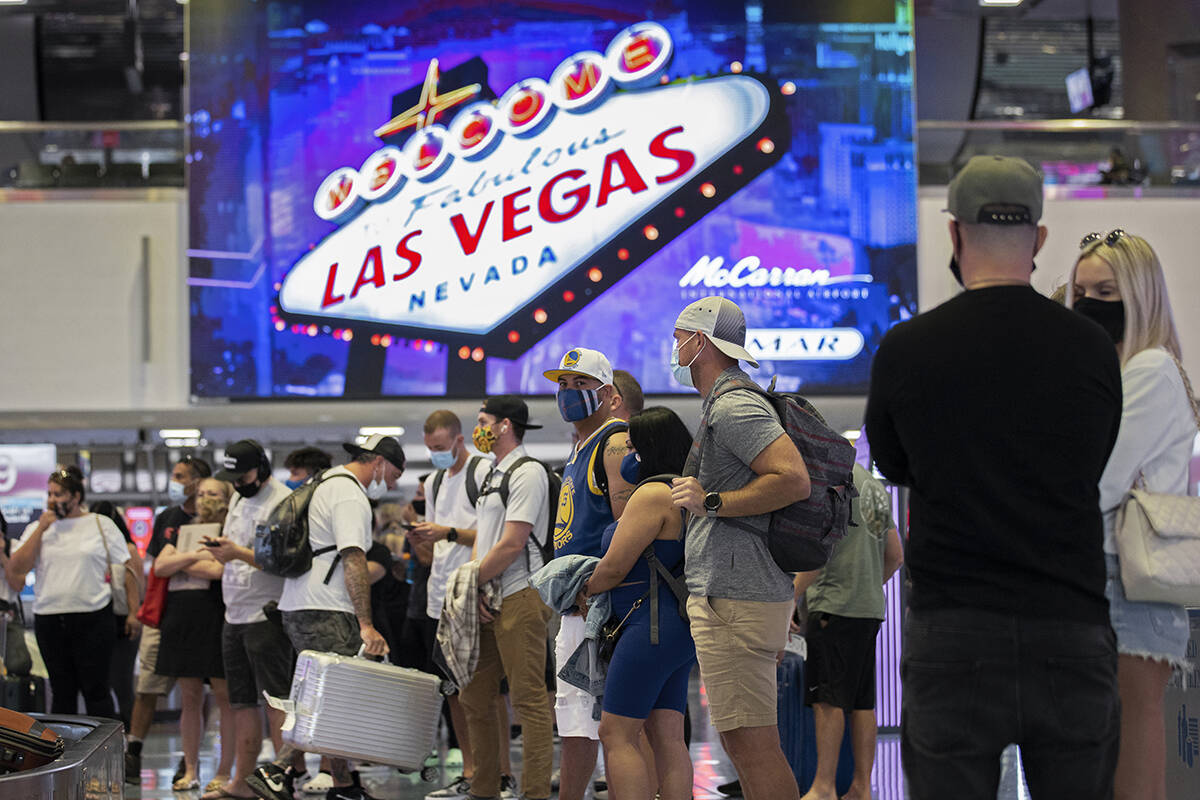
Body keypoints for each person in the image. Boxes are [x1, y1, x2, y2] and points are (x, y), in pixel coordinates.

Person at [864, 155, 1123, 799]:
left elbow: (894, 465)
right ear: (1038, 239)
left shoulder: (907, 348)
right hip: (1070, 622)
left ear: (954, 236)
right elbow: (1094, 459)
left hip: (953, 630)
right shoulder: (1091, 347)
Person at [1069, 229, 1197, 800]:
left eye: (1105, 289)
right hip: (1111, 577)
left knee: (1130, 750)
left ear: (1140, 293)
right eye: (1080, 291)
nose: (1089, 302)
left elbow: (1100, 478)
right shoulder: (1125, 368)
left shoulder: (1147, 370)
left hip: (1126, 578)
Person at [668, 296, 811, 800]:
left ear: (700, 342)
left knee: (752, 746)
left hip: (737, 597)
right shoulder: (724, 404)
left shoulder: (734, 405)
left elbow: (793, 480)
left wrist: (712, 501)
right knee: (742, 741)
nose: (675, 346)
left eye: (679, 336)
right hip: (737, 593)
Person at [247, 434, 402, 800]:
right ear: (378, 462)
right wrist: (365, 624)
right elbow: (353, 558)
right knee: (332, 699)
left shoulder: (324, 482)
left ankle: (345, 785)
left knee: (325, 695)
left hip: (300, 602)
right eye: (393, 474)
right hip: (326, 607)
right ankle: (278, 768)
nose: (391, 483)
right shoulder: (349, 493)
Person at [581, 406, 696, 800]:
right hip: (676, 628)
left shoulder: (651, 494)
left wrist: (584, 589)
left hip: (646, 625)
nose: (627, 456)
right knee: (667, 735)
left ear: (651, 447)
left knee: (616, 733)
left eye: (632, 447)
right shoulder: (684, 491)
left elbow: (614, 566)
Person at [544, 348, 635, 800]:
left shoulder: (614, 441)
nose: (568, 393)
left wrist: (601, 587)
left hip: (601, 603)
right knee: (575, 720)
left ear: (609, 394)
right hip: (577, 600)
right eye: (562, 384)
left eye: (581, 384)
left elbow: (626, 525)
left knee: (607, 726)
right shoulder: (579, 448)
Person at [459, 396, 554, 800]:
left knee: (528, 700)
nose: (477, 428)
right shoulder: (489, 474)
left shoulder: (528, 472)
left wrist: (470, 581)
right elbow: (485, 536)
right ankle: (485, 788)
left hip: (520, 593)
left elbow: (514, 541)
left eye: (483, 421)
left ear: (504, 425)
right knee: (474, 695)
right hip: (488, 598)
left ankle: (534, 792)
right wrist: (476, 586)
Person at [792, 465, 904, 800]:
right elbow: (895, 556)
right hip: (867, 608)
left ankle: (824, 787)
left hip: (832, 605)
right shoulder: (872, 485)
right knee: (861, 700)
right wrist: (865, 585)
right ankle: (861, 786)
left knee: (828, 698)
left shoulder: (825, 484)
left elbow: (818, 554)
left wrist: (790, 599)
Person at [199, 440, 301, 800]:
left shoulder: (281, 501)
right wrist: (223, 549)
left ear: (261, 467)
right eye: (234, 477)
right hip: (234, 611)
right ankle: (242, 781)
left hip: (266, 612)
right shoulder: (240, 498)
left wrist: (237, 552)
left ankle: (281, 780)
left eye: (244, 475)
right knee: (240, 700)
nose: (239, 482)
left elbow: (286, 561)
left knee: (276, 701)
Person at [411, 410, 500, 800]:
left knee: (484, 692)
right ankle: (469, 768)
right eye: (431, 449)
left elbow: (494, 532)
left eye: (442, 448)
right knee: (452, 691)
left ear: (459, 440)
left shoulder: (483, 471)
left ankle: (495, 773)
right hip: (438, 598)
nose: (436, 455)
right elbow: (436, 548)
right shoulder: (432, 482)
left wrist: (447, 532)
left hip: (473, 594)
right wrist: (423, 543)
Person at [6, 467, 133, 719]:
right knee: (62, 691)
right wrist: (41, 529)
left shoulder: (100, 524)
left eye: (59, 494)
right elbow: (17, 568)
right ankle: (64, 754)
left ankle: (107, 753)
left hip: (93, 616)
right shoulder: (38, 528)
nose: (53, 500)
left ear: (76, 496)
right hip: (50, 618)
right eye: (50, 494)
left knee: (96, 689)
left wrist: (134, 612)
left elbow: (128, 568)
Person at [126, 454, 211, 783]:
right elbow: (157, 566)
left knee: (196, 690)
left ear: (198, 481)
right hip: (161, 612)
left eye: (180, 476)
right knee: (147, 684)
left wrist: (178, 560)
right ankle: (134, 750)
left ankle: (190, 760)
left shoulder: (212, 519)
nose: (174, 482)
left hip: (200, 614)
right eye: (173, 475)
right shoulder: (167, 518)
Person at [153, 476, 236, 792]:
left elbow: (218, 571)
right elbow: (161, 566)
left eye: (213, 492)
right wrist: (194, 558)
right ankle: (189, 769)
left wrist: (180, 563)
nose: (205, 499)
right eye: (200, 493)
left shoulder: (230, 532)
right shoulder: (182, 527)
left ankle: (224, 771)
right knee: (189, 697)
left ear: (227, 497)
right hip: (181, 616)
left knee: (224, 697)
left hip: (215, 616)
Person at [91, 500, 145, 730]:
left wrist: (134, 614)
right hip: (97, 620)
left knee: (122, 683)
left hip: (123, 621)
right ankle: (109, 736)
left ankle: (130, 735)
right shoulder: (90, 549)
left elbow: (135, 584)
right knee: (101, 683)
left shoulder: (128, 549)